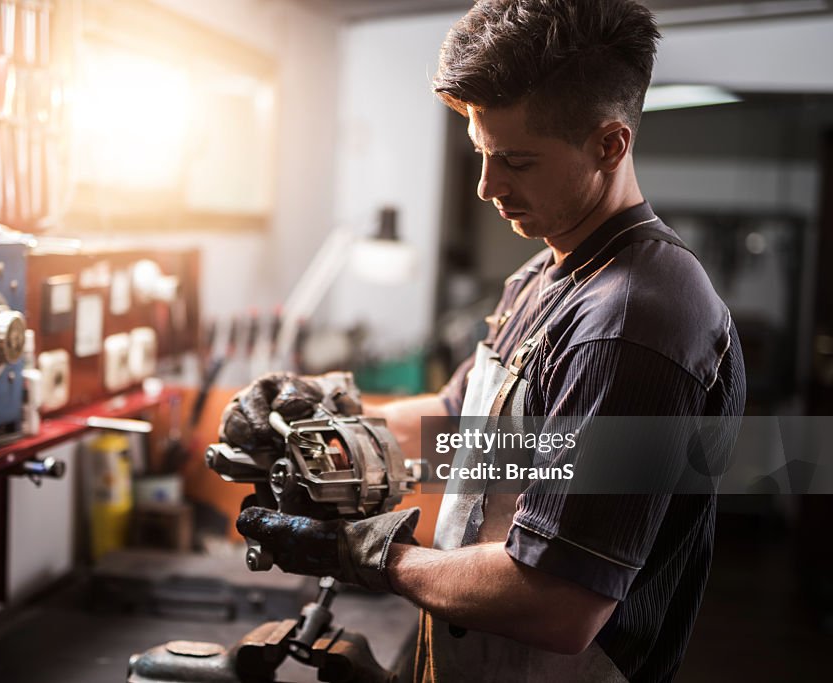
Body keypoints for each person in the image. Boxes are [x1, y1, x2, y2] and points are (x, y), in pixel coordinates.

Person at [224, 1, 746, 681]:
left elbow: (558, 602)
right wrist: (322, 414)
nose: (487, 186)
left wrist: (368, 553)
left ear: (609, 145)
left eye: (517, 161)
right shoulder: (547, 272)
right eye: (481, 153)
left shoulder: (635, 321)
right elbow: (458, 422)